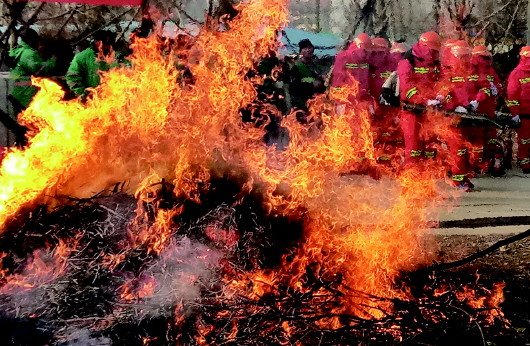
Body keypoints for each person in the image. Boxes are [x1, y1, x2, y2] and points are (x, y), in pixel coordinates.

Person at [397, 31, 442, 166]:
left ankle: (426, 179)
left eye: (436, 51)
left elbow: (442, 82)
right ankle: (411, 181)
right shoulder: (407, 62)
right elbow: (408, 89)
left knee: (429, 147)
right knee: (414, 148)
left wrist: (440, 96)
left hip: (429, 111)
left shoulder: (435, 64)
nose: (434, 54)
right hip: (412, 111)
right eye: (432, 50)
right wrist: (425, 100)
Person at [471, 45, 504, 176]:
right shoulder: (472, 70)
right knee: (478, 140)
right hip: (477, 111)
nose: (485, 59)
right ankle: (478, 165)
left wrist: (496, 89)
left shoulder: (489, 71)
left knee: (489, 139)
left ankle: (488, 164)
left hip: (487, 110)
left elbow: (498, 85)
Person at [8, 28, 57, 114]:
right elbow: (38, 70)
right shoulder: (28, 53)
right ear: (31, 41)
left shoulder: (16, 51)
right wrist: (52, 61)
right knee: (31, 120)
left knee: (20, 120)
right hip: (27, 94)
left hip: (17, 91)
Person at [66, 30, 119, 99]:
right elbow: (72, 77)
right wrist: (84, 94)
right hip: (90, 102)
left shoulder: (118, 57)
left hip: (113, 101)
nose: (106, 47)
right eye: (104, 43)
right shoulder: (82, 57)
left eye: (109, 44)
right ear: (96, 41)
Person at [288, 39, 326, 121]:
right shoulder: (297, 68)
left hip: (317, 104)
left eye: (310, 47)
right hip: (303, 105)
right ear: (301, 52)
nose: (308, 50)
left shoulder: (317, 66)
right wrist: (311, 85)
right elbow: (293, 88)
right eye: (305, 48)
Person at [506, 46, 530, 174]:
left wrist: (514, 113)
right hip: (524, 113)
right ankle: (526, 164)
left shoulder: (516, 73)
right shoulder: (517, 73)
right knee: (525, 140)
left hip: (524, 113)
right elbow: (513, 96)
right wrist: (515, 113)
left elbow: (512, 95)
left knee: (525, 140)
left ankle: (526, 164)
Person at [330, 33, 373, 102]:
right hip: (346, 97)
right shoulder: (343, 57)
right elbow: (338, 78)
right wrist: (338, 98)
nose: (365, 53)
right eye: (365, 50)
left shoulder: (366, 60)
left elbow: (367, 79)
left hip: (361, 97)